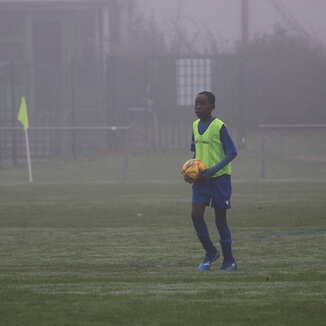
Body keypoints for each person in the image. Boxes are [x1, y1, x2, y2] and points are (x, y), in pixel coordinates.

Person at [184, 91, 237, 271]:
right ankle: (210, 252)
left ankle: (229, 260)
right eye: (196, 104)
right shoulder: (194, 125)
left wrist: (212, 170)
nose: (198, 107)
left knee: (220, 220)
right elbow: (195, 154)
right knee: (196, 215)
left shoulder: (218, 126)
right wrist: (190, 173)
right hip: (201, 180)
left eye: (203, 104)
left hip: (220, 179)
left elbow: (232, 152)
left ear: (212, 107)